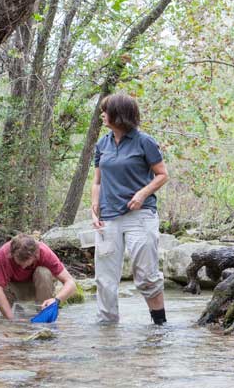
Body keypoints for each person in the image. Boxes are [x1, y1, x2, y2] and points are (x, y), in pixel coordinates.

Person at [91, 93, 169, 325]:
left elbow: (162, 174)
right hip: (108, 218)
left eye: (106, 110)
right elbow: (97, 180)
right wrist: (94, 207)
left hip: (140, 216)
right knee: (105, 279)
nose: (102, 114)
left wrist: (142, 193)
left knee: (146, 275)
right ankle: (107, 330)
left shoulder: (144, 141)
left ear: (119, 114)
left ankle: (159, 325)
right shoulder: (102, 143)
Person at [0, 234, 76, 320]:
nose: (22, 267)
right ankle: (7, 315)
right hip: (13, 289)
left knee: (43, 272)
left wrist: (56, 300)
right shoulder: (4, 253)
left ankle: (44, 315)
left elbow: (70, 283)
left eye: (26, 262)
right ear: (12, 254)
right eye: (19, 262)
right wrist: (11, 320)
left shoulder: (44, 251)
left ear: (35, 255)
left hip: (38, 288)